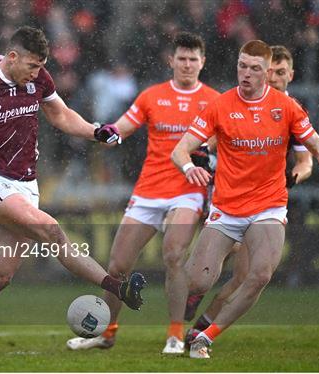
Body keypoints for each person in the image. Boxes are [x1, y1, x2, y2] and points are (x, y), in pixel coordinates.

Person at [0, 26, 145, 356]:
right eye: (33, 66)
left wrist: (96, 132)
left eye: (41, 66)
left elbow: (60, 115)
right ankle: (117, 288)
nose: (38, 73)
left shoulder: (38, 79)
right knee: (52, 230)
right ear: (12, 57)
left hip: (26, 185)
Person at [171, 40, 319, 359]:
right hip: (227, 207)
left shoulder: (287, 108)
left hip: (268, 205)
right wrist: (191, 166)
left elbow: (317, 147)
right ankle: (187, 309)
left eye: (254, 68)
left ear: (267, 71)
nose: (246, 73)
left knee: (258, 275)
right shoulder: (221, 105)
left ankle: (205, 336)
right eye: (242, 66)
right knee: (199, 280)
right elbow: (181, 149)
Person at [66, 32, 220, 354]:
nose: (188, 64)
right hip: (149, 189)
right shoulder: (152, 96)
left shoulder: (214, 101)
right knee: (118, 266)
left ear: (202, 62)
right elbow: (121, 128)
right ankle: (107, 333)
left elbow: (226, 142)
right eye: (182, 58)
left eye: (194, 59)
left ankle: (176, 335)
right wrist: (98, 132)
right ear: (171, 61)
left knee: (174, 254)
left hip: (188, 189)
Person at [183, 45, 314, 340]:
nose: (276, 78)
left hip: (264, 201)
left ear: (290, 75)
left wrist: (295, 176)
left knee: (246, 276)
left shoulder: (291, 111)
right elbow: (213, 139)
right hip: (227, 196)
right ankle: (194, 289)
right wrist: (204, 155)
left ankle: (202, 327)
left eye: (281, 73)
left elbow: (307, 162)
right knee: (209, 266)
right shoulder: (239, 102)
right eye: (273, 72)